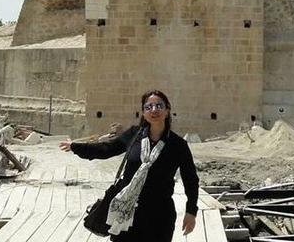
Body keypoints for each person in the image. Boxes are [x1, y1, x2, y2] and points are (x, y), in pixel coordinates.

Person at [60, 90, 198, 241]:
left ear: (167, 110)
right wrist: (76, 147)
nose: (154, 110)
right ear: (143, 113)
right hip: (125, 213)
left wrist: (191, 212)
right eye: (148, 107)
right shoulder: (134, 135)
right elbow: (106, 149)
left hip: (159, 217)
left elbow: (190, 180)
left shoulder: (178, 145)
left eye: (159, 106)